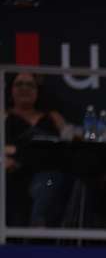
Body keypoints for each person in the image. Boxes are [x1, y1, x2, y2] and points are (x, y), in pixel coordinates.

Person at [4, 72, 72, 230]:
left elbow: (69, 141)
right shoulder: (4, 116)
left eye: (30, 85)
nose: (24, 88)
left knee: (49, 182)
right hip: (15, 171)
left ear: (37, 90)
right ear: (11, 89)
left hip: (47, 173)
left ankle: (38, 229)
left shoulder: (53, 117)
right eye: (19, 84)